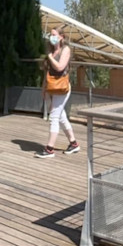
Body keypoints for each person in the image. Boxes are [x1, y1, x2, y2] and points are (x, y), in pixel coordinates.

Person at [36, 27, 80, 158]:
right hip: (51, 87)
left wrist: (50, 57)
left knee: (54, 117)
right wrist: (43, 88)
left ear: (61, 37)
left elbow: (60, 67)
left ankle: (49, 149)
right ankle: (74, 143)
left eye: (54, 35)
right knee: (61, 117)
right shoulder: (51, 51)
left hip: (62, 87)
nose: (51, 37)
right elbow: (47, 73)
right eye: (50, 35)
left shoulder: (65, 50)